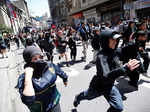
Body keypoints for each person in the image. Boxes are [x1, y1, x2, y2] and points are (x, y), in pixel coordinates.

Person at [73, 30, 140, 112]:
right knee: (87, 96)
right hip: (98, 86)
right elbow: (106, 76)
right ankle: (78, 97)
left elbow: (127, 50)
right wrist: (125, 68)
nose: (115, 42)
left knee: (118, 107)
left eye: (116, 40)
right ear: (105, 41)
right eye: (112, 40)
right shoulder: (101, 56)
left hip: (109, 86)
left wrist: (134, 42)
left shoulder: (115, 51)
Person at [16, 46, 68, 112]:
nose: (39, 60)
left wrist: (65, 79)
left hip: (54, 102)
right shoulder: (24, 78)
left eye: (41, 57)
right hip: (40, 109)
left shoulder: (49, 66)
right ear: (28, 61)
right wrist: (28, 77)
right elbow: (28, 100)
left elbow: (60, 71)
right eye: (35, 58)